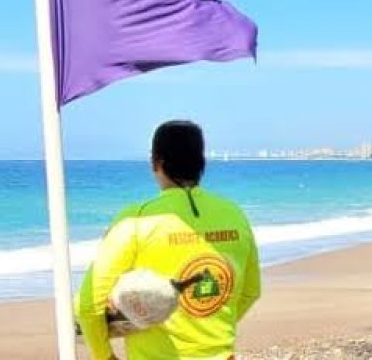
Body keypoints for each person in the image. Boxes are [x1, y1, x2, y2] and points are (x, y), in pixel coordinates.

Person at [75, 120, 261, 360]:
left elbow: (88, 304)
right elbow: (250, 292)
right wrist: (206, 325)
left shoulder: (136, 219)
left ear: (157, 162)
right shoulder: (234, 214)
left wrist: (104, 356)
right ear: (200, 163)